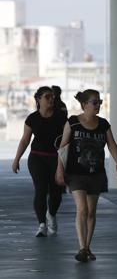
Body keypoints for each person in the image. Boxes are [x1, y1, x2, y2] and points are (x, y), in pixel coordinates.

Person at [55, 89, 117, 262]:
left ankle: (87, 247)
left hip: (96, 173)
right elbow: (63, 147)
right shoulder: (73, 123)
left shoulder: (103, 124)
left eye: (99, 102)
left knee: (91, 211)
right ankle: (81, 247)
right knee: (82, 209)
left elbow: (112, 144)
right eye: (95, 102)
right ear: (84, 104)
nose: (98, 105)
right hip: (76, 173)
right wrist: (59, 169)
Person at [12, 86, 67, 237]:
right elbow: (24, 141)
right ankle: (41, 224)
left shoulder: (60, 117)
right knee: (41, 190)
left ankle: (52, 214)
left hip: (55, 158)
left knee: (56, 193)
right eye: (47, 97)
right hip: (37, 158)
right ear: (38, 99)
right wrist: (16, 159)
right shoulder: (32, 118)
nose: (51, 99)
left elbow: (67, 140)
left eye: (52, 97)